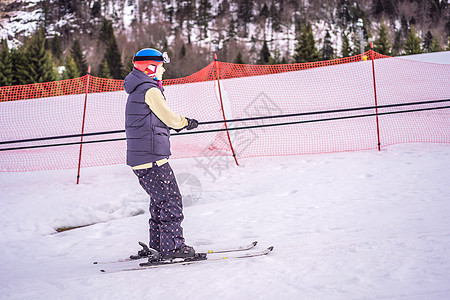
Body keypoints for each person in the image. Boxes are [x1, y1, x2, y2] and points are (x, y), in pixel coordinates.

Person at [123, 48, 199, 261]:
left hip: (142, 158)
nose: (164, 70)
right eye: (161, 66)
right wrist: (185, 122)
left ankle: (159, 244)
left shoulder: (137, 88)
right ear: (151, 67)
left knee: (160, 201)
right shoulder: (150, 90)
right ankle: (173, 247)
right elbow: (168, 117)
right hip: (152, 157)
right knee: (171, 201)